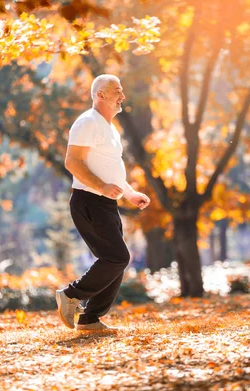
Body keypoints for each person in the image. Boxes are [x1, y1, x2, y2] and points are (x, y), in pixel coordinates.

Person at [56, 74, 151, 332]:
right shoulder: (87, 122)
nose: (122, 96)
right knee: (117, 257)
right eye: (116, 91)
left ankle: (90, 319)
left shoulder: (109, 127)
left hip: (105, 202)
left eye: (121, 91)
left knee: (114, 261)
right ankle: (71, 295)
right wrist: (102, 187)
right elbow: (72, 162)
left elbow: (111, 170)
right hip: (89, 201)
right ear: (100, 95)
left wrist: (128, 193)